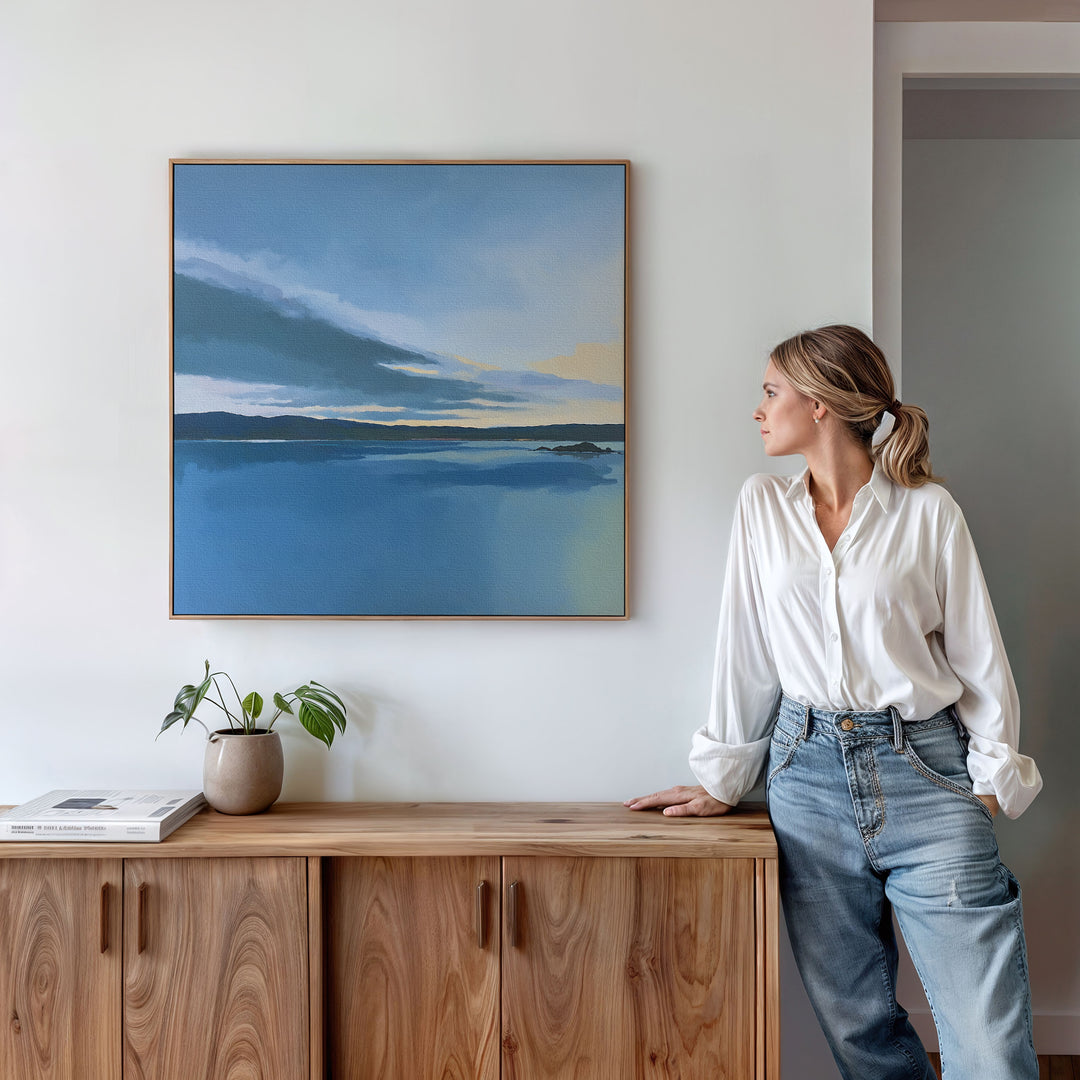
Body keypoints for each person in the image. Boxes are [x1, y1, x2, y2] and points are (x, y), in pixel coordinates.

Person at [626, 325, 1042, 1080]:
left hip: (927, 769)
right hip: (805, 775)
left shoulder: (928, 512)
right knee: (860, 1032)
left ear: (819, 405)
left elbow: (980, 654)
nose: (758, 410)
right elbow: (744, 649)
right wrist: (725, 777)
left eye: (770, 391)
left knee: (989, 1042)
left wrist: (988, 780)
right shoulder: (761, 508)